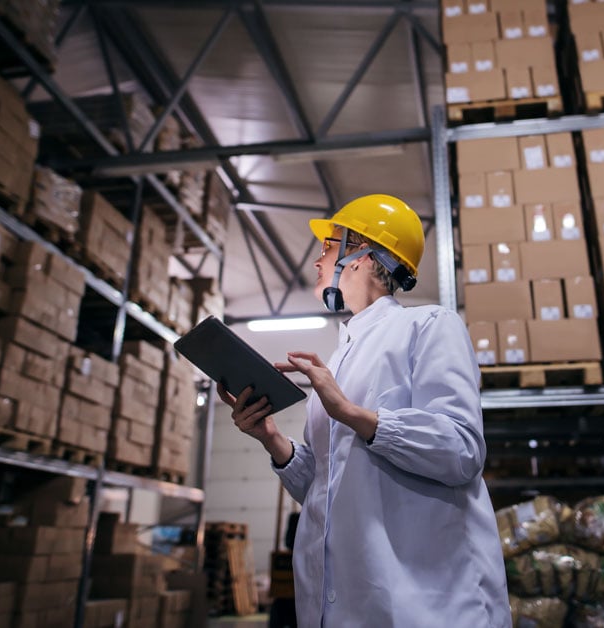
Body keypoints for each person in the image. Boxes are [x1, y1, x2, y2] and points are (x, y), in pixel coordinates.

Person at [218, 194, 511, 627]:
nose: (318, 261)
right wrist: (273, 440)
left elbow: (462, 451)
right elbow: (331, 492)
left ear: (360, 255)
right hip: (349, 608)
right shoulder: (336, 363)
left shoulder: (429, 326)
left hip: (427, 607)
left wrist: (353, 414)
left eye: (328, 246)